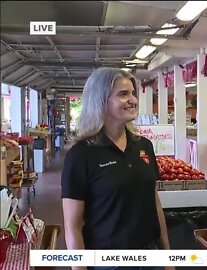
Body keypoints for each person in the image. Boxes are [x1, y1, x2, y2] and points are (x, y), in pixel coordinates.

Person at [61, 68, 171, 270]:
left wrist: (167, 258)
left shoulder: (144, 146)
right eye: (123, 94)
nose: (133, 100)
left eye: (132, 93)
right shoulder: (81, 155)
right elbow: (73, 226)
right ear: (101, 101)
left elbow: (154, 203)